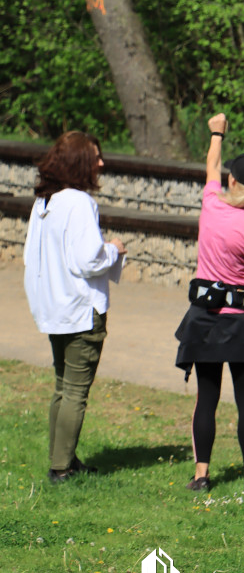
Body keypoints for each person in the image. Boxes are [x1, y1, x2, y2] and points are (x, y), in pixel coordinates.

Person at [175, 113, 244, 494]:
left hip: (204, 319)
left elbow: (211, 166)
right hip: (241, 324)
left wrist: (217, 132)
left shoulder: (211, 205)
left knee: (207, 398)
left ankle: (202, 475)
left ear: (231, 181)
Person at [23, 131, 126, 483]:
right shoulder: (80, 202)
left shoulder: (44, 202)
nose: (101, 163)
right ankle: (61, 468)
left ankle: (63, 457)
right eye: (95, 156)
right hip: (81, 309)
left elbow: (30, 257)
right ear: (79, 161)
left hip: (54, 306)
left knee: (62, 386)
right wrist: (114, 249)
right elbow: (89, 261)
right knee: (75, 392)